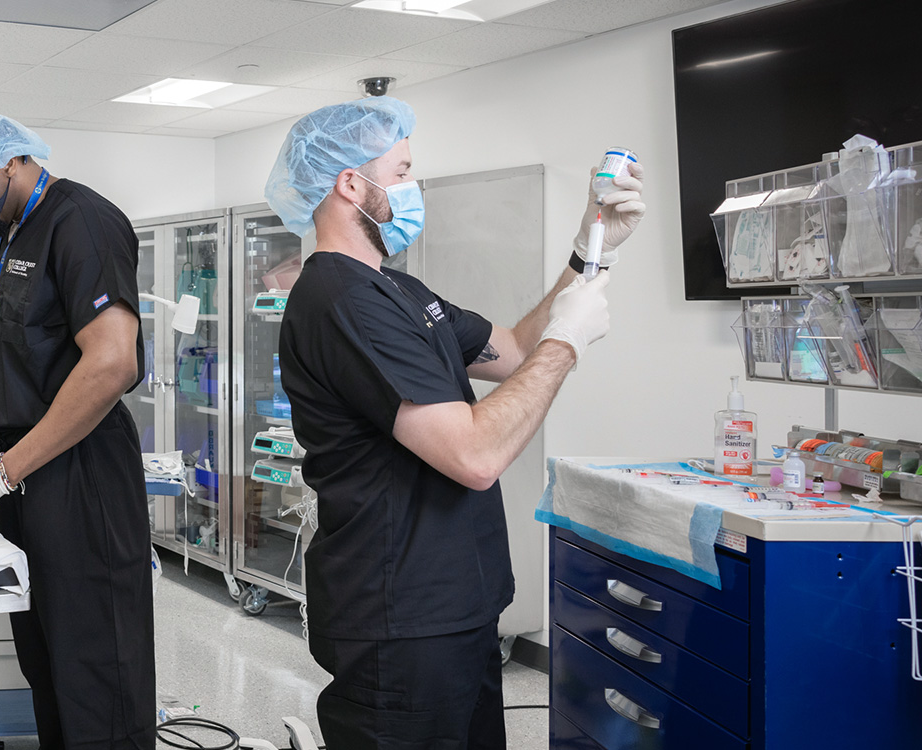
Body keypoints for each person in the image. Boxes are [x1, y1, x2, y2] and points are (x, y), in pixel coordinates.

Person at [266, 97, 645, 748]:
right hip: (399, 619)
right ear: (351, 183)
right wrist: (569, 344)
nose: (416, 189)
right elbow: (473, 455)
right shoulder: (342, 300)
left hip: (457, 609)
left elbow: (517, 351)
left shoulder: (401, 292)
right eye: (404, 171)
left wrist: (593, 249)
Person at [0, 111, 154, 748]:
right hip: (21, 460)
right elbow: (15, 359)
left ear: (14, 161)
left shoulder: (81, 221)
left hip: (81, 462)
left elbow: (110, 363)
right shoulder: (4, 235)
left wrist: (1, 470)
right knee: (42, 651)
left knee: (94, 656)